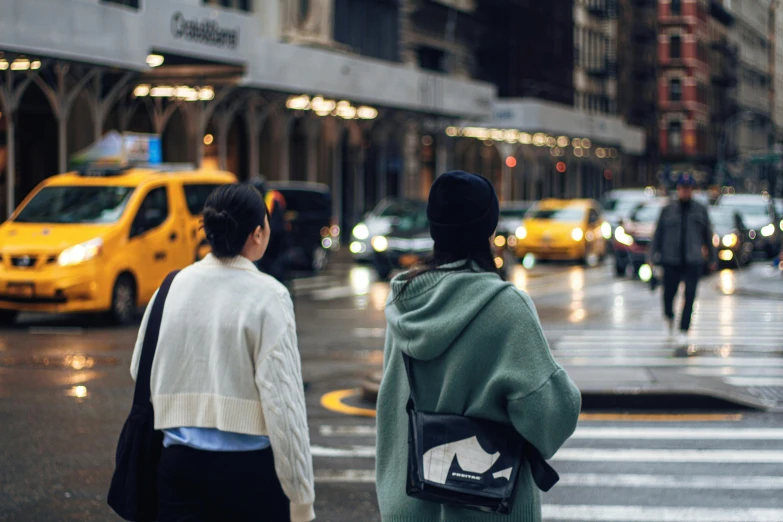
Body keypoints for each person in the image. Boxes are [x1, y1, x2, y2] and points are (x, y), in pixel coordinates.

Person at [375, 171, 581, 522]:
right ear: (489, 228)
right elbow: (552, 416)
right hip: (488, 508)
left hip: (408, 506)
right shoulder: (507, 307)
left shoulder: (406, 301)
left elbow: (390, 404)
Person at [130, 184, 315, 522]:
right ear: (257, 233)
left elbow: (138, 367)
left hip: (178, 464)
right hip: (249, 471)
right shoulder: (269, 296)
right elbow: (284, 403)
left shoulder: (171, 286)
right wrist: (300, 498)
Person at [651, 173, 717, 346]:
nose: (685, 192)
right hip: (671, 259)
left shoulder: (700, 209)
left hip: (692, 259)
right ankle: (669, 318)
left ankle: (683, 329)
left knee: (690, 297)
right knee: (668, 295)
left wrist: (712, 257)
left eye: (688, 189)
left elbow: (708, 235)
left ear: (692, 190)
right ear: (678, 189)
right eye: (682, 188)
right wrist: (652, 257)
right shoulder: (667, 209)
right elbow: (658, 234)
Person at [251, 178, 291, 284]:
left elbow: (276, 224)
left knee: (275, 271)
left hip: (275, 242)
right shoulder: (266, 199)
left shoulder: (273, 200)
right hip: (270, 241)